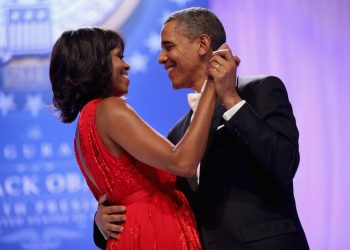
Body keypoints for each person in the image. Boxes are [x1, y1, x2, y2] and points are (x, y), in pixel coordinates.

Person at [93, 7, 309, 250]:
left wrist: (231, 101)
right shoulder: (179, 133)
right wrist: (102, 224)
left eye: (169, 46)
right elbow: (158, 199)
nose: (161, 58)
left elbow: (284, 164)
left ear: (203, 44)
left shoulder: (259, 90)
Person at [49, 27, 235, 249]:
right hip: (155, 232)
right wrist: (211, 85)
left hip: (131, 236)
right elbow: (183, 162)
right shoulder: (109, 109)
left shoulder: (84, 126)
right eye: (119, 57)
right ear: (95, 64)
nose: (126, 65)